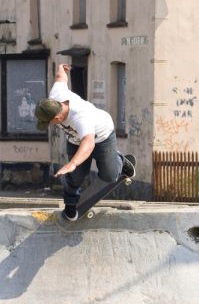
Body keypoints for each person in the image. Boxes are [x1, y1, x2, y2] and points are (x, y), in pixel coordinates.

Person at [34, 63, 135, 221]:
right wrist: (61, 68)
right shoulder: (55, 96)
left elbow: (88, 144)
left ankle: (119, 160)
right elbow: (60, 79)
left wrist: (73, 163)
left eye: (49, 122)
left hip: (101, 136)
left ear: (57, 118)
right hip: (75, 140)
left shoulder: (80, 116)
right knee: (75, 177)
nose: (50, 125)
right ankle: (70, 204)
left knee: (109, 176)